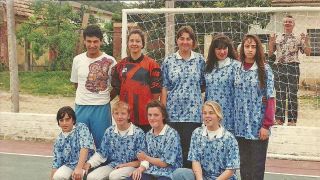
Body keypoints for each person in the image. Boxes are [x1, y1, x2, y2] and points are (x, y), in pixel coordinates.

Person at [161, 25, 205, 168]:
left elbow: (203, 85)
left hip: (193, 116)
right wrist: (163, 112)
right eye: (182, 38)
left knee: (190, 154)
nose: (185, 42)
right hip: (173, 115)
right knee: (173, 153)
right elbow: (165, 87)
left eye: (188, 39)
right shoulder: (168, 61)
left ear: (193, 41)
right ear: (177, 40)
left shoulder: (200, 60)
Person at [235, 34, 275, 180]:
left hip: (258, 126)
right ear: (242, 48)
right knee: (244, 166)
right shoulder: (236, 69)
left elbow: (270, 98)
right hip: (239, 127)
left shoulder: (264, 69)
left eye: (253, 46)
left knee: (256, 168)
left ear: (258, 49)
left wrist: (266, 125)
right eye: (247, 46)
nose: (250, 50)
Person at [70, 24, 117, 148]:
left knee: (103, 145)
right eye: (89, 41)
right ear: (84, 41)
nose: (92, 45)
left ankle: (104, 167)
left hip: (101, 108)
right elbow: (76, 83)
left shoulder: (110, 61)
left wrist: (105, 97)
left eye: (95, 41)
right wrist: (86, 96)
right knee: (81, 145)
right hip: (81, 108)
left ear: (101, 41)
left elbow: (117, 86)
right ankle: (82, 167)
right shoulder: (77, 60)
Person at [172, 101, 240, 180]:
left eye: (211, 113)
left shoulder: (229, 138)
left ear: (218, 116)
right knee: (179, 173)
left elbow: (231, 169)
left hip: (223, 178)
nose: (207, 116)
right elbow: (195, 160)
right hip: (203, 177)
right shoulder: (197, 133)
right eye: (204, 113)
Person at [111, 29, 162, 132]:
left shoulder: (152, 65)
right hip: (126, 115)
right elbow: (116, 89)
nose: (134, 43)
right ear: (128, 43)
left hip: (145, 116)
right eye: (132, 41)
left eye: (138, 41)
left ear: (142, 44)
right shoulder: (119, 66)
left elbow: (156, 94)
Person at [84, 101, 146, 180]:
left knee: (114, 176)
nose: (119, 116)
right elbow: (102, 153)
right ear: (113, 115)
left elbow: (143, 159)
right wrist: (89, 163)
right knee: (91, 177)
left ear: (128, 116)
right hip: (113, 165)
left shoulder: (138, 133)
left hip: (131, 166)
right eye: (116, 113)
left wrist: (126, 165)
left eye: (123, 113)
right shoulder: (109, 131)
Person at [268, 15, 311, 126]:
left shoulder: (298, 37)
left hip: (293, 67)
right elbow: (270, 53)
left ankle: (292, 120)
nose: (287, 23)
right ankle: (279, 119)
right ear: (283, 24)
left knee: (292, 94)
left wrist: (306, 40)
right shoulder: (277, 37)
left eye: (290, 22)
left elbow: (307, 52)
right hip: (279, 67)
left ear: (293, 24)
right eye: (285, 22)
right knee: (280, 94)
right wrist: (271, 41)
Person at [128, 100, 183, 180]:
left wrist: (146, 157)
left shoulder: (172, 134)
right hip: (150, 171)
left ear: (163, 116)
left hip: (167, 174)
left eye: (156, 115)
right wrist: (140, 169)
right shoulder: (148, 135)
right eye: (149, 115)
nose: (152, 118)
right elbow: (144, 159)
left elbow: (164, 163)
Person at [204, 34, 240, 134]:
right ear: (213, 50)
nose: (222, 52)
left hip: (229, 114)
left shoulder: (236, 66)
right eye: (218, 49)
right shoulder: (207, 67)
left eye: (225, 48)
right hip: (211, 114)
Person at [51, 106, 95, 180]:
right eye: (61, 120)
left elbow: (85, 148)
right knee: (57, 176)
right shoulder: (59, 140)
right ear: (58, 122)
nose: (64, 123)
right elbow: (56, 164)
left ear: (73, 120)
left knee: (77, 176)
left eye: (67, 119)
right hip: (70, 165)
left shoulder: (81, 127)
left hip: (85, 162)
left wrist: (79, 168)